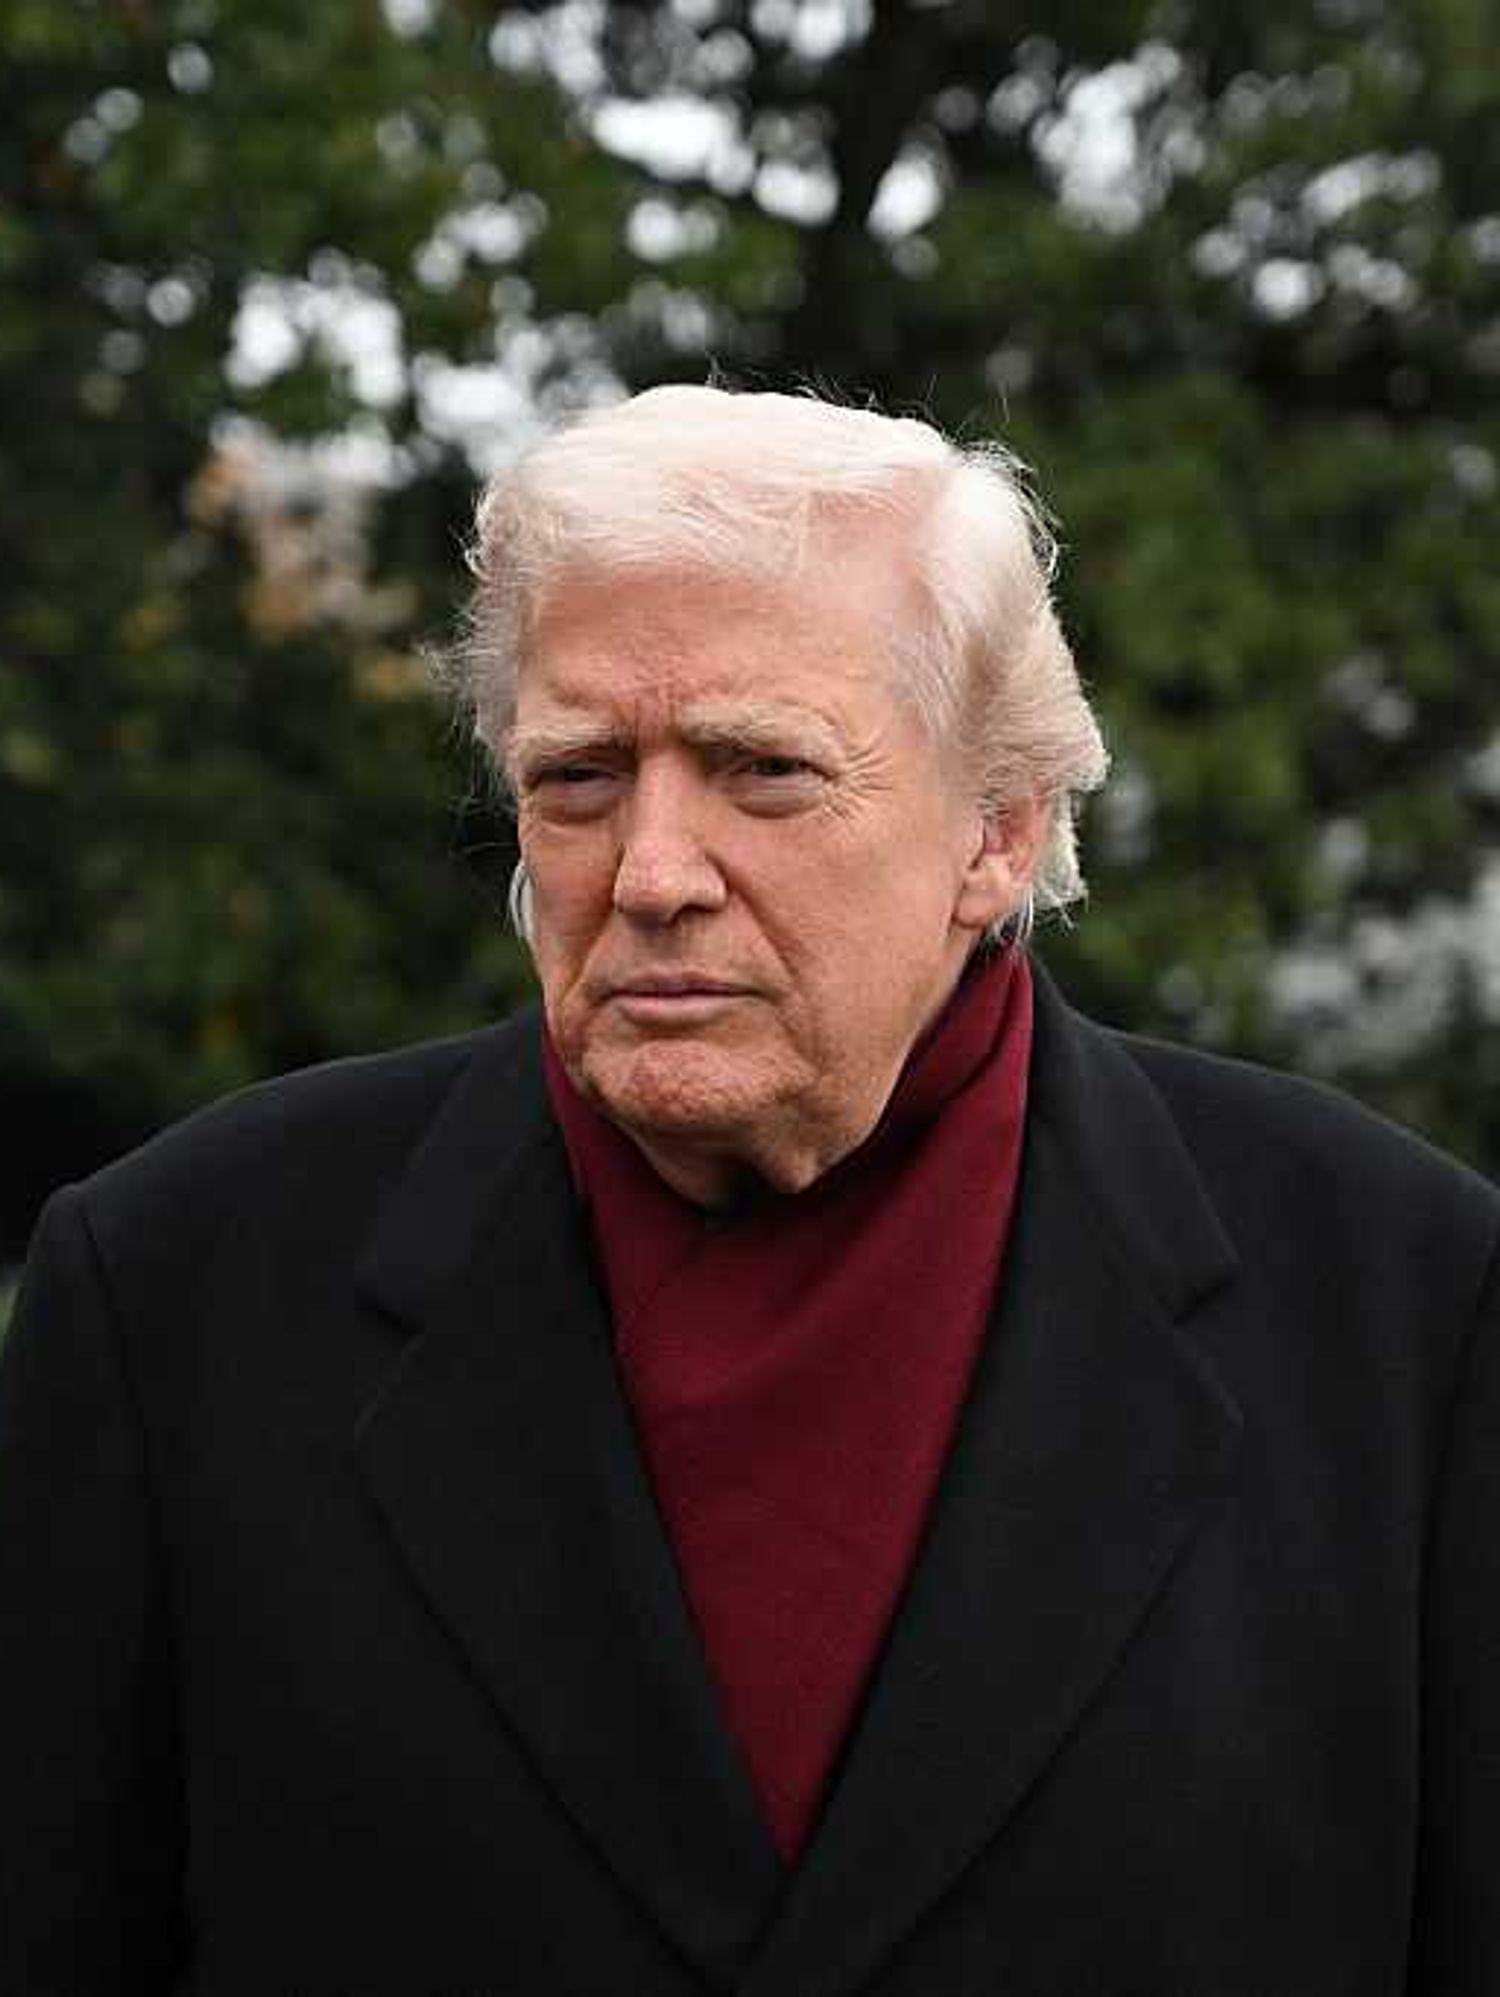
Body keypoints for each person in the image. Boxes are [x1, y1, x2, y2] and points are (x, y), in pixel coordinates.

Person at [1, 385, 1496, 1997]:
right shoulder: (179, 1292)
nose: (650, 871)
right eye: (578, 778)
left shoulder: (1404, 1308)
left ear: (998, 828)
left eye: (762, 770)